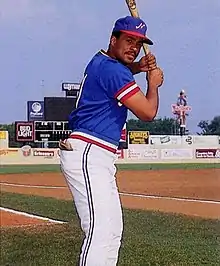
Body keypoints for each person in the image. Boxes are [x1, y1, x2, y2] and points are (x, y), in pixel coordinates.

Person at [59, 16, 164, 266]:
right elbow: (148, 113)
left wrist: (137, 68)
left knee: (112, 231)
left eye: (138, 44)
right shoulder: (113, 71)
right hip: (89, 150)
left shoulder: (101, 62)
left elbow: (117, 72)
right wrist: (153, 84)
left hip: (97, 154)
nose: (134, 48)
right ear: (113, 39)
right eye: (128, 41)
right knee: (100, 231)